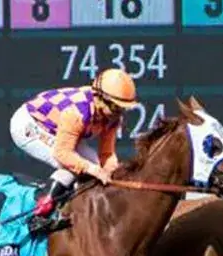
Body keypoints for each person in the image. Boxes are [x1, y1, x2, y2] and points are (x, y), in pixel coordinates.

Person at [12, 69, 138, 236]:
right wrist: (93, 170)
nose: (119, 113)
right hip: (29, 125)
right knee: (74, 167)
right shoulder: (76, 112)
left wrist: (112, 175)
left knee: (94, 164)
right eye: (115, 107)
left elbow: (106, 154)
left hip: (54, 128)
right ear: (100, 98)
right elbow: (62, 154)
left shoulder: (112, 117)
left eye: (122, 109)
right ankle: (39, 217)